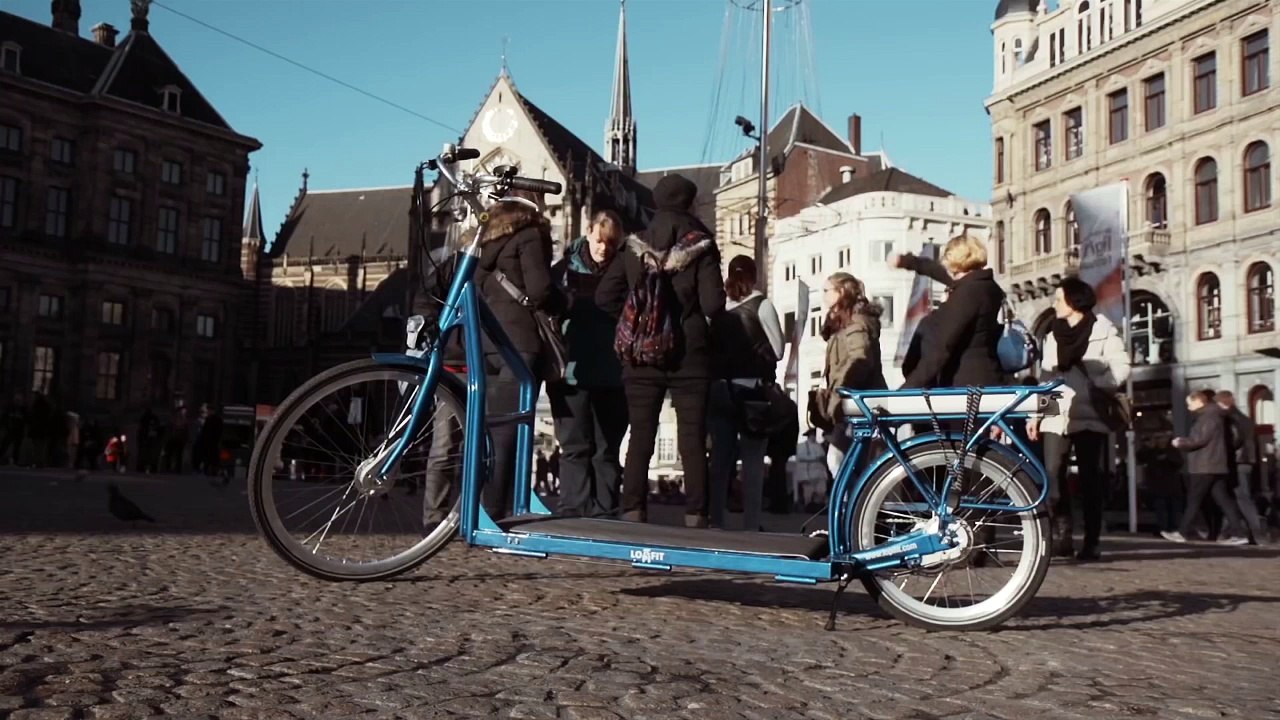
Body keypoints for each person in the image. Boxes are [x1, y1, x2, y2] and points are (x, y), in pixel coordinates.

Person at [596, 173, 725, 527]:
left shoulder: (634, 244)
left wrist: (634, 320)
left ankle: (633, 509)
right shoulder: (701, 245)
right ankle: (696, 515)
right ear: (690, 203)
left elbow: (604, 296)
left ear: (656, 203)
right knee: (692, 437)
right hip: (690, 353)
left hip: (642, 354)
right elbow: (714, 304)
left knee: (641, 434)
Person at [1025, 278, 1130, 561]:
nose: (1054, 304)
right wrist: (1036, 415)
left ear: (1074, 301)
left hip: (1090, 413)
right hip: (1057, 413)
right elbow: (1046, 379)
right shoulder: (1052, 335)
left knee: (1089, 479)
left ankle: (1092, 541)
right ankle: (1062, 535)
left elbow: (1121, 367)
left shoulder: (1103, 330)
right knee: (1052, 475)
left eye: (1059, 299)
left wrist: (1097, 384)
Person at [475, 191, 560, 520]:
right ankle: (497, 510)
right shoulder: (530, 235)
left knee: (489, 428)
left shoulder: (487, 242)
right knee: (510, 429)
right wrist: (564, 301)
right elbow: (540, 290)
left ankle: (480, 504)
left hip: (487, 341)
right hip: (519, 340)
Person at [549, 210, 629, 517]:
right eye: (599, 240)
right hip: (572, 370)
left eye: (610, 243)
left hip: (612, 371)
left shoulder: (626, 269)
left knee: (606, 447)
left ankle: (604, 510)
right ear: (588, 232)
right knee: (574, 444)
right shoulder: (564, 270)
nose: (603, 248)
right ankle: (573, 507)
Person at [708, 255, 784, 531]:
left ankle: (715, 520)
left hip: (720, 389)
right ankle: (751, 524)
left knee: (720, 460)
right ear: (754, 276)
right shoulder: (762, 305)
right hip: (753, 390)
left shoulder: (718, 309)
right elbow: (778, 351)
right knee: (753, 462)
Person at [898, 234, 1005, 389]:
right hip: (988, 376)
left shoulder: (967, 292)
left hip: (965, 385)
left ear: (955, 260)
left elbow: (942, 346)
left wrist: (908, 389)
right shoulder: (986, 286)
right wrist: (910, 262)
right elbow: (938, 272)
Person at [818, 272, 887, 477]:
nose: (823, 296)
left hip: (857, 403)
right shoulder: (845, 322)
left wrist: (840, 392)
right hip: (853, 403)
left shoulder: (855, 323)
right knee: (852, 462)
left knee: (838, 459)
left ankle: (857, 498)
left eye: (826, 290)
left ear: (841, 292)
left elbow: (860, 360)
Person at [1161, 390, 1249, 545]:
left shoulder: (1208, 416)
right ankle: (1240, 533)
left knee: (1194, 500)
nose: (1188, 407)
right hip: (1215, 465)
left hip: (1204, 465)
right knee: (1224, 501)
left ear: (1198, 401)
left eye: (1190, 404)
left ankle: (1182, 532)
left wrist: (1181, 442)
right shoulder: (1214, 415)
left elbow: (1200, 439)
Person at [1217, 390, 1269, 544]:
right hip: (1246, 461)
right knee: (1236, 497)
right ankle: (1230, 531)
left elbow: (1235, 438)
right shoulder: (1244, 418)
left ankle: (1256, 534)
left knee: (1241, 498)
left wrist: (1225, 451)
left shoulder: (1231, 418)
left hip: (1237, 461)